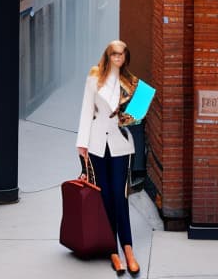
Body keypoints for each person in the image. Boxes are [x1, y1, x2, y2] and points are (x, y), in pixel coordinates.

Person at [76, 39, 140, 276]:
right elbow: (85, 111)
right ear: (107, 55)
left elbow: (138, 118)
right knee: (103, 197)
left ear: (126, 58)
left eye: (121, 54)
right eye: (114, 54)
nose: (117, 58)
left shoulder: (131, 83)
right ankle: (111, 249)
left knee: (119, 196)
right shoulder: (94, 79)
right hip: (95, 145)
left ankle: (128, 249)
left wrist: (131, 116)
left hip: (121, 145)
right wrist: (81, 144)